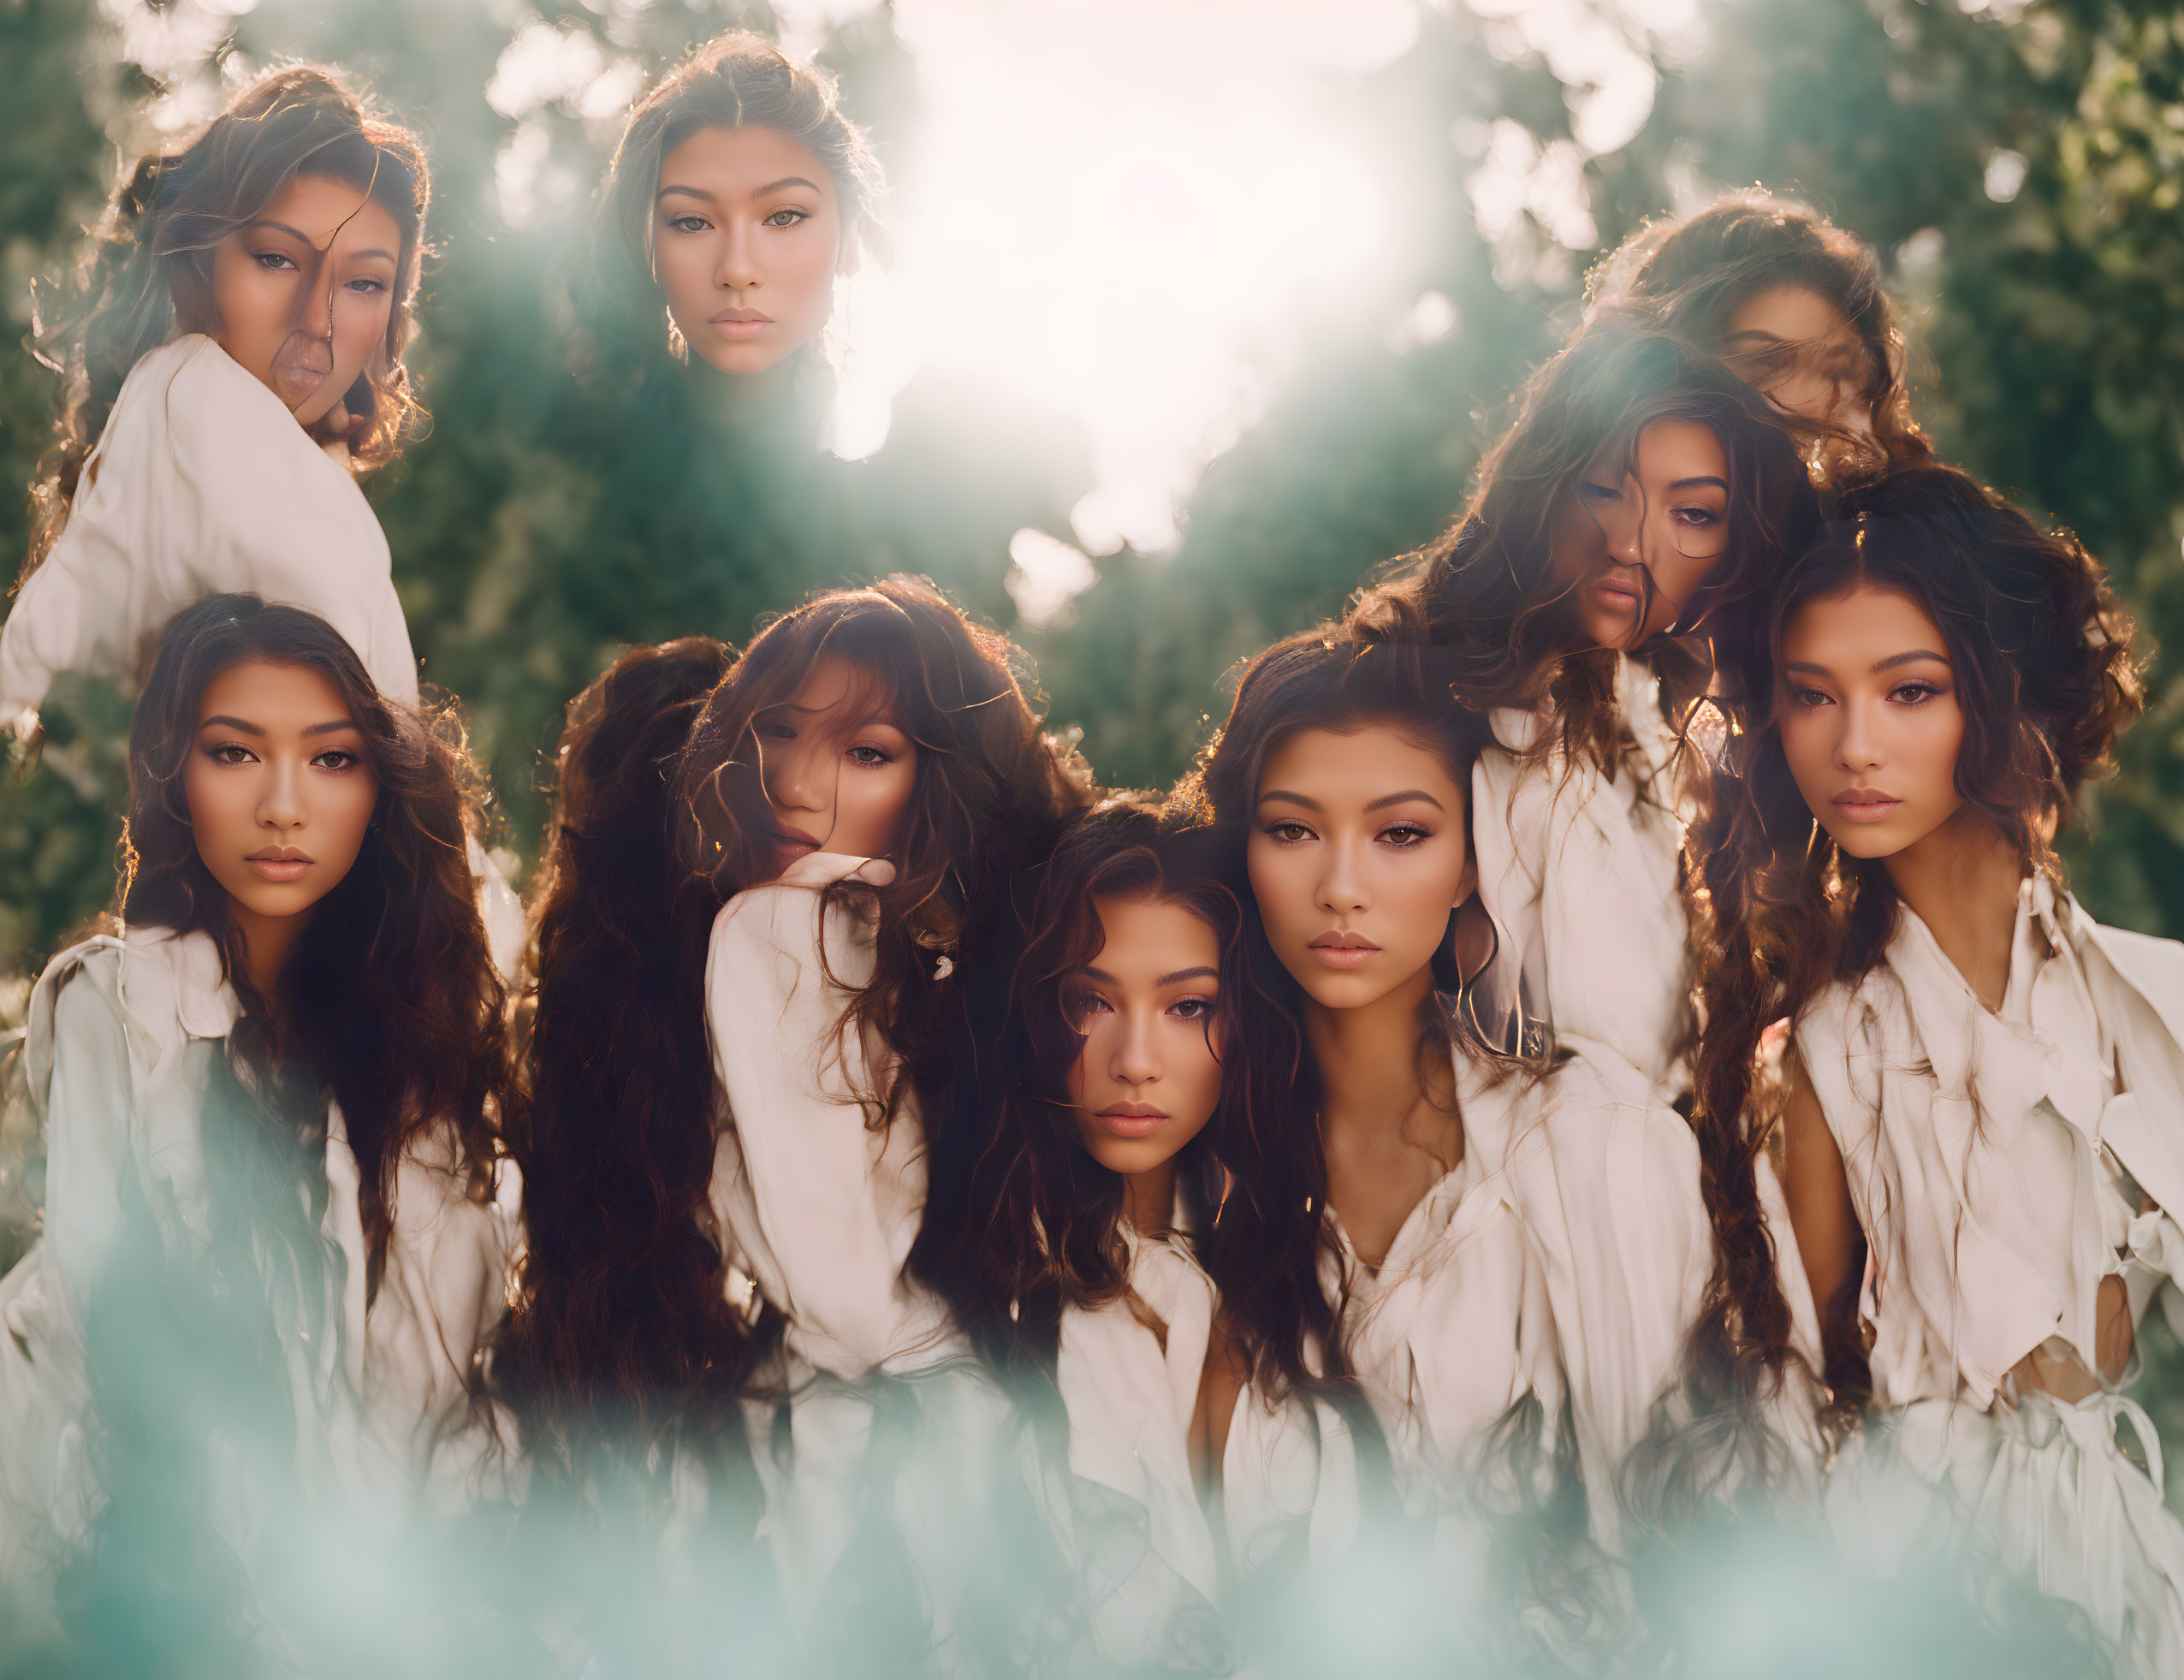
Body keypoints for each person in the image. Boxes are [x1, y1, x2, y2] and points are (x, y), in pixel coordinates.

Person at [500, 578, 1083, 1659]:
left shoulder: (785, 931)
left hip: (914, 1451)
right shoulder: (890, 939)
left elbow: (854, 1301)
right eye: (773, 730)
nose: (795, 783)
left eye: (867, 751)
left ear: (936, 778)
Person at [1688, 463, 2184, 1674]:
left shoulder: (2139, 992)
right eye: (1812, 696)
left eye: (1909, 690)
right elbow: (1796, 1405)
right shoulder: (1822, 1047)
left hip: (2133, 1578)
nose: (1854, 745)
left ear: (2000, 694)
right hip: (1921, 1593)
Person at [1186, 604, 1725, 1660]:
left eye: (1399, 833)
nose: (1340, 886)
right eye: (1292, 828)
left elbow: (1677, 1564)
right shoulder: (1191, 1171)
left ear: (1471, 861)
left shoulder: (1593, 1146)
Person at [0, 596, 515, 1658]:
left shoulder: (424, 1031)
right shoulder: (120, 1004)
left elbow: (452, 1362)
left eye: (330, 761)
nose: (284, 806)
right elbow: (109, 1350)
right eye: (235, 753)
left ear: (379, 785)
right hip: (147, 1566)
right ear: (174, 778)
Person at [911, 797, 1360, 1671]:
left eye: (1188, 1007)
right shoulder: (962, 1300)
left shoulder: (1293, 1269)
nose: (1135, 1059)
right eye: (1088, 1000)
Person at [1402, 317, 1816, 1091]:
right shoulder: (1417, 706)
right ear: (1544, 485)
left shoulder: (1659, 736)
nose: (1630, 543)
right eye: (1602, 488)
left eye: (1692, 514)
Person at [3, 65, 430, 738]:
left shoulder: (198, 424)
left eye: (364, 283)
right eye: (277, 259)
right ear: (199, 264)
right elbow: (378, 755)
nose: (316, 319)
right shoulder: (196, 391)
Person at [594, 31, 883, 387]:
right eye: (693, 223)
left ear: (849, 240)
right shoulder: (566, 438)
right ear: (647, 246)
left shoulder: (928, 436)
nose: (737, 269)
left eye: (784, 217)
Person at [1589, 187, 1932, 471]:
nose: (1808, 402)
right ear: (1666, 370)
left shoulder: (1909, 540)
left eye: (1834, 369)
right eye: (1765, 364)